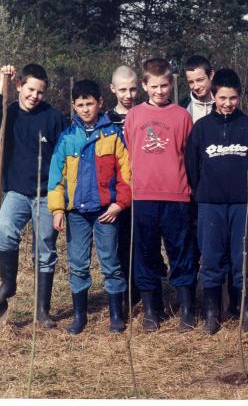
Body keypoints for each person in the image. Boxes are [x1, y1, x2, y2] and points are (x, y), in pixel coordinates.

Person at [0, 64, 66, 328]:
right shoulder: (10, 115)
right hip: (17, 192)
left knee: (45, 250)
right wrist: (0, 84)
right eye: (30, 89)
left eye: (40, 92)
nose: (34, 96)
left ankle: (42, 311)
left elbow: (65, 156)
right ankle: (8, 285)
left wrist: (60, 196)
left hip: (46, 195)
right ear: (19, 86)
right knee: (4, 229)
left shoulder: (53, 118)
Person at [48, 80, 131, 334]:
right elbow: (56, 177)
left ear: (100, 103)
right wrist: (58, 209)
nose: (85, 109)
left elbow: (127, 173)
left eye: (90, 104)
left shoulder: (113, 135)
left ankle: (116, 314)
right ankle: (79, 315)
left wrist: (120, 203)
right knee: (78, 263)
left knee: (110, 262)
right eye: (80, 105)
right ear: (73, 106)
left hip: (106, 212)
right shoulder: (67, 138)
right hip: (76, 214)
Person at [185, 68, 248, 334]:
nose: (227, 104)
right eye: (222, 98)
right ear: (213, 96)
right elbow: (192, 166)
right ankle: (211, 314)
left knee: (244, 257)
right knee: (212, 258)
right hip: (210, 204)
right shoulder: (201, 128)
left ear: (239, 97)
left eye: (233, 98)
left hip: (243, 204)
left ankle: (247, 313)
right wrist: (203, 192)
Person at [124, 58, 197, 332]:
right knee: (145, 251)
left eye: (164, 86)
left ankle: (188, 309)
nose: (159, 91)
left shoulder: (182, 116)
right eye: (153, 86)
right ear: (144, 85)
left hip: (176, 195)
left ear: (171, 84)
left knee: (181, 250)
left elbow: (187, 155)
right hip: (143, 196)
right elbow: (131, 152)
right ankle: (152, 309)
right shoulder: (134, 116)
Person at [107, 65, 140, 315]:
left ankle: (141, 289)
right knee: (119, 242)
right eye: (123, 90)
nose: (128, 95)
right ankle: (124, 291)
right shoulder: (107, 119)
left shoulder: (143, 113)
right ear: (113, 89)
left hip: (142, 187)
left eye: (132, 89)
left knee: (138, 240)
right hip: (116, 190)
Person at [182, 55, 215, 123]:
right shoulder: (184, 108)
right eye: (191, 82)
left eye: (200, 80)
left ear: (211, 75)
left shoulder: (224, 104)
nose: (196, 87)